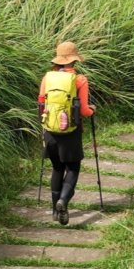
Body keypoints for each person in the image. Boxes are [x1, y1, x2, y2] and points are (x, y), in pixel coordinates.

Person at [38, 41, 93, 225]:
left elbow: (41, 102)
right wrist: (92, 110)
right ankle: (63, 200)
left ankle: (56, 211)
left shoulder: (47, 78)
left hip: (50, 130)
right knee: (73, 168)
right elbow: (84, 110)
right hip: (70, 132)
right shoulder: (80, 80)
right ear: (74, 60)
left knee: (57, 168)